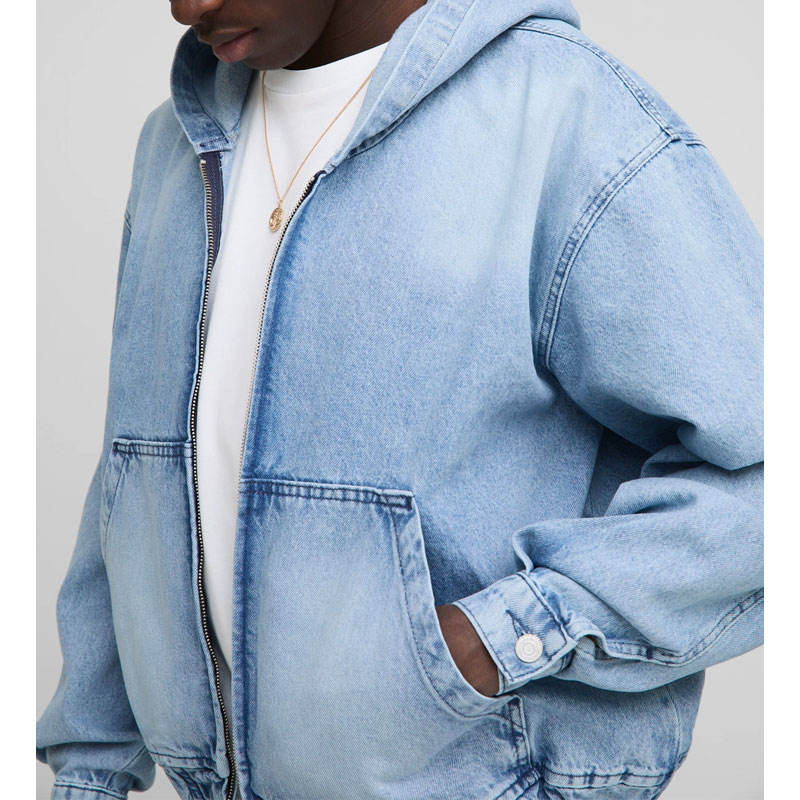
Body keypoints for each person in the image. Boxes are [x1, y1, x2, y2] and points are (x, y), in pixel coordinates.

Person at [36, 1, 763, 799]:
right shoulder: (174, 145)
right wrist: (89, 772)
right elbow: (137, 476)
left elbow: (764, 475)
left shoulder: (565, 117)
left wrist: (497, 639)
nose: (187, 7)